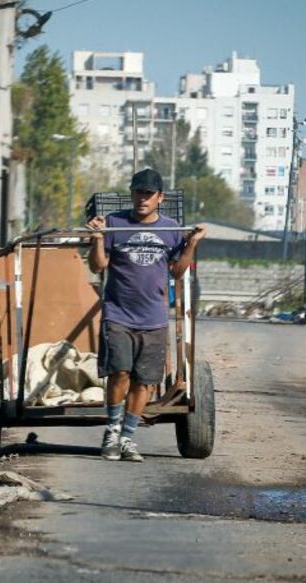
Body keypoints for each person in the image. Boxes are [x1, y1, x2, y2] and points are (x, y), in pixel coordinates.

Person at [86, 168, 206, 462]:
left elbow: (177, 272)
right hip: (118, 314)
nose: (142, 199)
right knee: (120, 372)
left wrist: (191, 244)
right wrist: (99, 239)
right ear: (132, 194)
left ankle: (127, 438)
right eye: (138, 192)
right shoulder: (114, 223)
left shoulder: (171, 229)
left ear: (160, 198)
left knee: (143, 381)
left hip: (153, 318)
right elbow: (98, 267)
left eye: (148, 194)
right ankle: (112, 431)